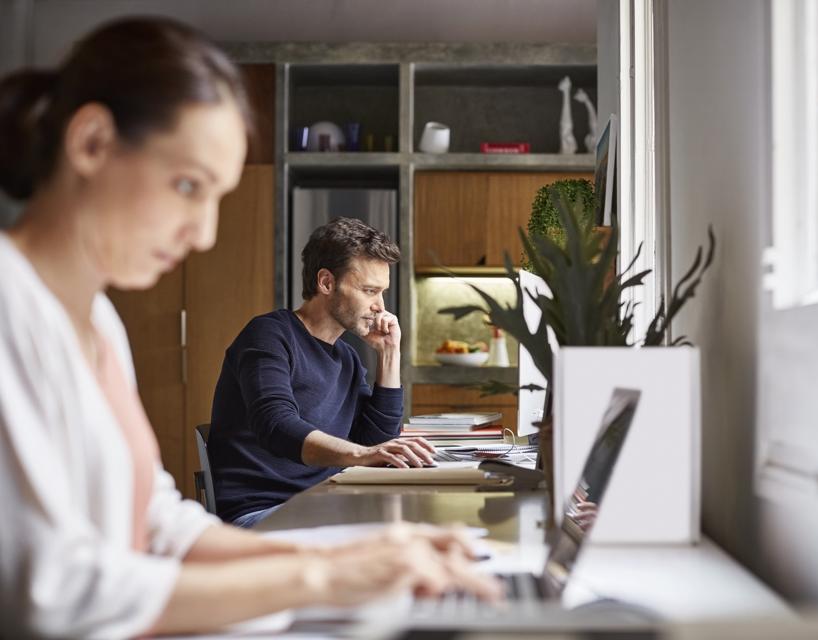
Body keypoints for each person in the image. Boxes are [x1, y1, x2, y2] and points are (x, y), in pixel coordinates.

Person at [0, 16, 499, 638]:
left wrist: (348, 557)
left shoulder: (96, 321)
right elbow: (51, 594)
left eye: (217, 198)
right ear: (93, 142)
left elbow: (157, 522)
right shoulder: (11, 311)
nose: (203, 233)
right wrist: (319, 578)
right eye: (187, 186)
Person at [208, 217, 434, 527]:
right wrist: (361, 455)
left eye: (382, 293)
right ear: (326, 283)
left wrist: (389, 354)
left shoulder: (348, 359)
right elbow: (275, 424)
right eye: (369, 290)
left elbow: (376, 444)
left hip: (327, 505)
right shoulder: (268, 335)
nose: (380, 307)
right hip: (261, 513)